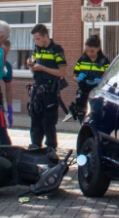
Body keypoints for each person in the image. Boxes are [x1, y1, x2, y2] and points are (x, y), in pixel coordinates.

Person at [27, 23, 66, 152]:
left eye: (38, 39)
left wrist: (43, 68)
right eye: (34, 39)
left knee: (49, 121)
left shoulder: (56, 49)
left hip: (50, 91)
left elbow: (61, 72)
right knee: (35, 119)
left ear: (45, 36)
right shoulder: (36, 49)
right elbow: (33, 72)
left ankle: (50, 147)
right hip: (37, 90)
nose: (36, 42)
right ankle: (35, 145)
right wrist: (31, 66)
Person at [67, 35, 110, 122]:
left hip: (98, 95)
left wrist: (102, 81)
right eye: (87, 51)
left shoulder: (104, 61)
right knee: (83, 119)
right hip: (83, 95)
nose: (89, 54)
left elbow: (110, 78)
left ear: (98, 48)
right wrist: (77, 79)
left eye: (92, 51)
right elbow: (74, 77)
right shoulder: (82, 60)